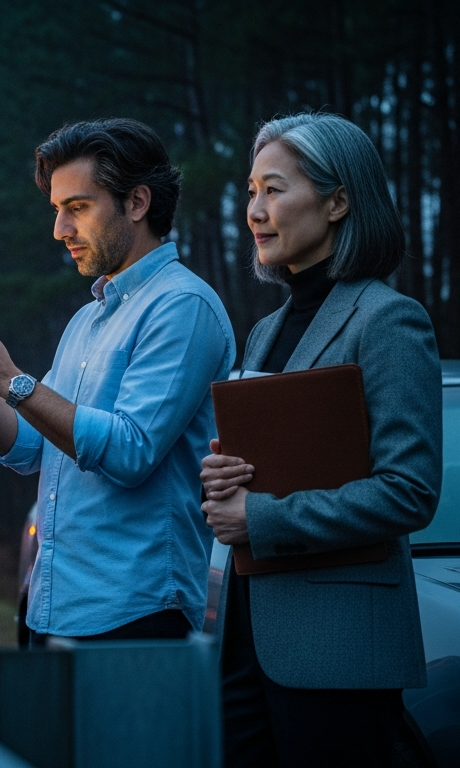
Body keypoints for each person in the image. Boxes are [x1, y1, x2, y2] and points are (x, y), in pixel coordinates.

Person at [0, 118, 235, 642]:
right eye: (56, 210)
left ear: (136, 203)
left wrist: (14, 381)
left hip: (136, 614)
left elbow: (132, 451)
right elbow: (27, 447)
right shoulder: (86, 320)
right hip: (51, 605)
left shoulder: (183, 306)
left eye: (78, 208)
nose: (59, 230)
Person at [200, 112, 442, 767]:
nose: (255, 209)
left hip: (336, 650)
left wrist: (260, 516)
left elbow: (408, 492)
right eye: (251, 191)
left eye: (274, 190)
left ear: (338, 201)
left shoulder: (390, 320)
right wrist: (225, 479)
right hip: (246, 640)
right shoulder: (263, 331)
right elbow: (270, 464)